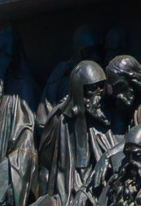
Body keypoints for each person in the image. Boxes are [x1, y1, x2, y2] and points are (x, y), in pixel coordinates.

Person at [35, 64, 122, 206]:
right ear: (78, 90)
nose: (99, 95)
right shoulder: (58, 119)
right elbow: (45, 166)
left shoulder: (106, 119)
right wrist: (44, 197)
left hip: (98, 192)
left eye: (101, 87)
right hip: (65, 195)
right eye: (92, 89)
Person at [0, 25, 35, 206]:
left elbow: (26, 146)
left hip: (2, 184)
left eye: (0, 53)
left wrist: (4, 179)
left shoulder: (21, 89)